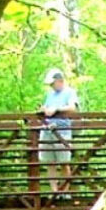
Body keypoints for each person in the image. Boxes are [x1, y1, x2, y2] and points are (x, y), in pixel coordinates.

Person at [38, 68, 80, 198]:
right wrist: (44, 110)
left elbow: (73, 108)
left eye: (53, 83)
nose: (51, 85)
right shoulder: (50, 94)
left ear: (60, 81)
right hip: (48, 129)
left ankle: (65, 191)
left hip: (62, 130)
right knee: (49, 162)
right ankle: (54, 191)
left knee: (64, 162)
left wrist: (57, 109)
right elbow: (46, 107)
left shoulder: (69, 92)